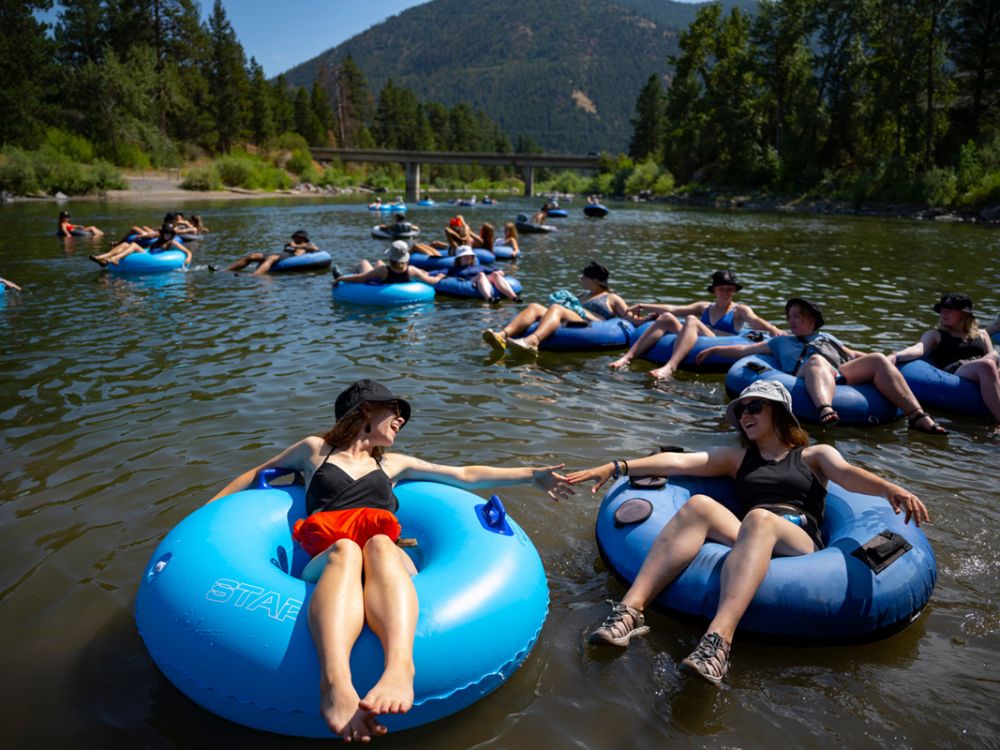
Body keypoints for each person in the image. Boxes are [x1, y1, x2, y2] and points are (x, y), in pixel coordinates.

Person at [208, 379, 572, 740]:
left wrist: (532, 476)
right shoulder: (315, 450)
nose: (401, 420)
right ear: (365, 411)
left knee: (379, 543)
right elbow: (255, 474)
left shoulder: (393, 464)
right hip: (332, 563)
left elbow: (463, 474)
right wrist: (204, 515)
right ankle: (335, 683)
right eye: (394, 411)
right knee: (347, 549)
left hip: (388, 561)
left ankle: (400, 669)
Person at [565, 379, 928, 685]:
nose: (746, 415)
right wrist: (617, 466)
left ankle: (718, 643)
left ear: (778, 412)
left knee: (759, 518)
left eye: (755, 407)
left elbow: (848, 475)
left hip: (799, 539)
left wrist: (890, 489)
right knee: (698, 507)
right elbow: (680, 462)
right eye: (741, 410)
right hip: (752, 532)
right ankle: (629, 613)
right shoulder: (738, 459)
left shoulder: (813, 455)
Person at [694, 297, 948, 433]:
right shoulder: (780, 342)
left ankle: (917, 416)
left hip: (838, 374)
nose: (791, 321)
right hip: (806, 376)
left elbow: (852, 354)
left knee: (878, 359)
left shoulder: (828, 338)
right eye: (789, 317)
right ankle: (825, 408)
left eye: (797, 316)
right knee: (816, 360)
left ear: (812, 319)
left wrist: (889, 359)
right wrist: (715, 348)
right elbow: (744, 350)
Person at [609, 270, 784, 378]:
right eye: (721, 288)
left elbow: (755, 321)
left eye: (729, 289)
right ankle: (627, 358)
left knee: (692, 320)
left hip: (717, 342)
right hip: (698, 337)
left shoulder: (739, 310)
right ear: (715, 290)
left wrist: (773, 329)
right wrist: (642, 305)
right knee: (666, 317)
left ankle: (671, 366)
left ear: (734, 290)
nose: (725, 292)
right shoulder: (704, 306)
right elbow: (673, 308)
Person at [889, 292, 1000, 430]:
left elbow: (992, 359)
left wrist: (995, 355)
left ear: (963, 314)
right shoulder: (936, 335)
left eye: (949, 310)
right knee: (987, 364)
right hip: (958, 370)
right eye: (942, 310)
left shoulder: (982, 335)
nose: (943, 313)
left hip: (984, 369)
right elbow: (919, 348)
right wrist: (896, 355)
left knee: (992, 360)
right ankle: (998, 421)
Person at [482, 261, 638, 353]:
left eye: (584, 276)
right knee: (535, 306)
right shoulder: (581, 295)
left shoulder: (611, 297)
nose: (581, 279)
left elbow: (630, 319)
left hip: (590, 325)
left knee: (557, 309)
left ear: (595, 280)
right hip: (570, 321)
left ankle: (533, 341)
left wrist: (647, 318)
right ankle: (502, 335)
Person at [333, 241, 444, 287]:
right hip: (395, 279)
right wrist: (439, 276)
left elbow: (360, 279)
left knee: (363, 262)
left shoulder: (383, 271)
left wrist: (340, 279)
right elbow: (431, 281)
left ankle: (344, 274)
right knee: (379, 262)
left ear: (391, 257)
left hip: (381, 279)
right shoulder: (412, 270)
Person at [88, 223, 191, 267]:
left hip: (154, 258)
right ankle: (102, 257)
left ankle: (115, 258)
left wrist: (188, 258)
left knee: (133, 244)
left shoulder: (172, 242)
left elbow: (187, 252)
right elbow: (150, 249)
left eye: (169, 234)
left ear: (172, 235)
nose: (167, 236)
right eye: (166, 233)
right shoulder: (159, 240)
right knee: (124, 244)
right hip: (149, 254)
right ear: (163, 233)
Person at [222, 230, 319, 275]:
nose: (293, 238)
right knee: (253, 256)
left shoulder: (308, 244)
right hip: (282, 255)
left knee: (271, 257)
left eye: (296, 237)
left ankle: (255, 275)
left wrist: (294, 246)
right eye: (293, 237)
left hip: (292, 257)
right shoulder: (293, 243)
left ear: (303, 238)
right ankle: (227, 270)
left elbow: (315, 248)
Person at [445, 246, 519, 301]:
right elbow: (439, 273)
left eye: (469, 256)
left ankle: (514, 297)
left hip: (482, 280)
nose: (467, 257)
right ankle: (489, 298)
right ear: (459, 258)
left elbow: (494, 269)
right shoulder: (454, 269)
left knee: (495, 274)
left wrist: (499, 271)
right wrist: (438, 277)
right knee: (481, 274)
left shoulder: (479, 267)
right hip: (469, 281)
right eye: (464, 256)